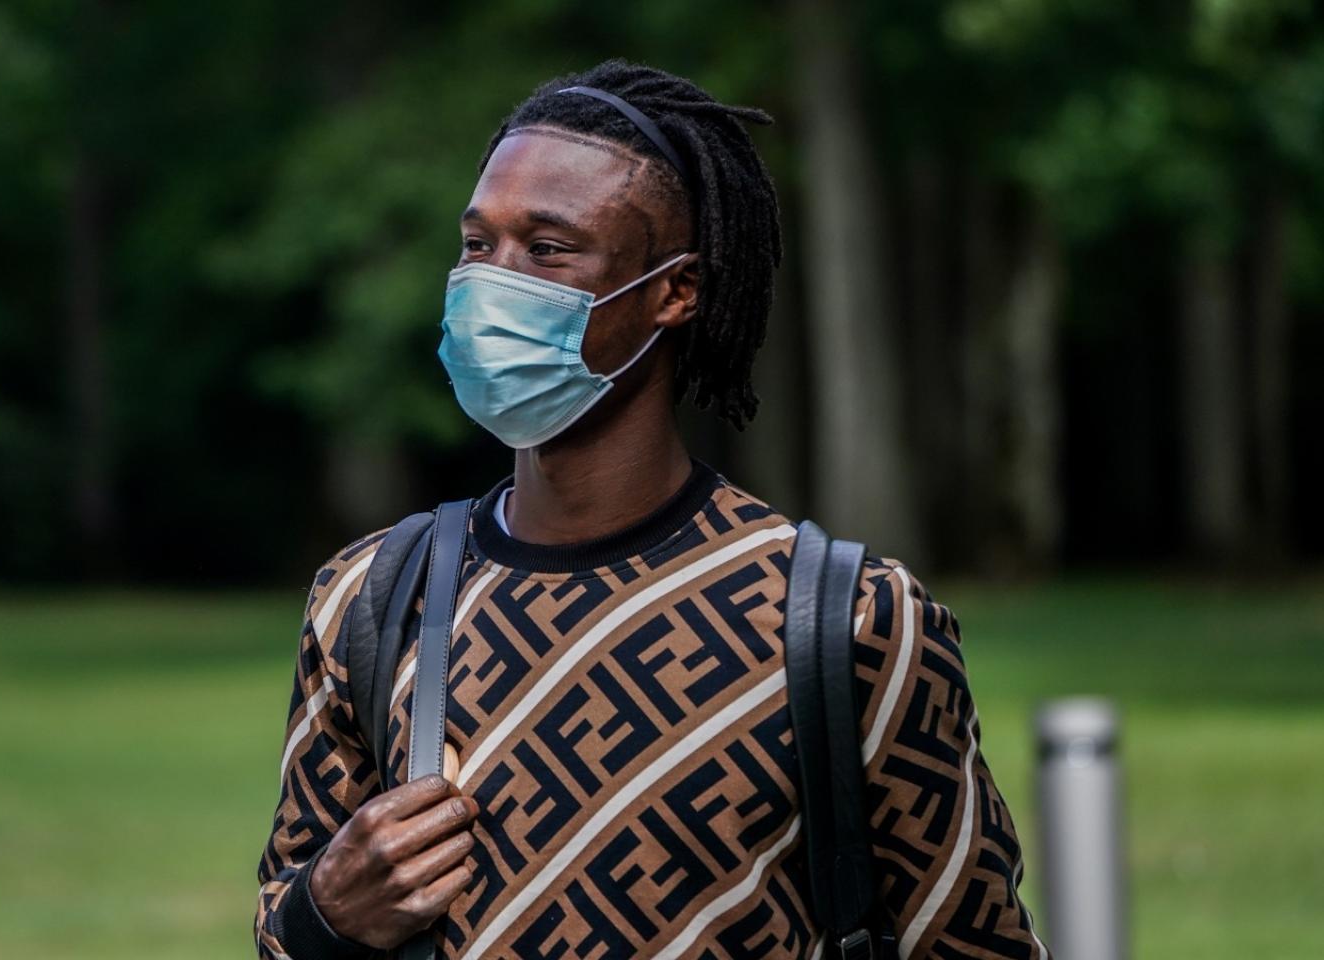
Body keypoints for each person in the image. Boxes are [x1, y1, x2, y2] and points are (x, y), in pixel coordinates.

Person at [255, 59, 1048, 959]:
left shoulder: (848, 618)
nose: (494, 283)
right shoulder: (370, 597)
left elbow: (974, 944)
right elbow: (285, 924)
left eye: (549, 250)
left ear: (676, 291)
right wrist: (324, 914)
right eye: (479, 246)